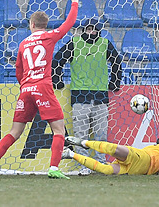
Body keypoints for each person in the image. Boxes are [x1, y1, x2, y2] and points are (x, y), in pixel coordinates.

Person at [0, 0, 80, 180]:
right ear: (45, 25)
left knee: (15, 131)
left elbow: (18, 71)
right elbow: (68, 24)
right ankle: (53, 167)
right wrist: (75, 2)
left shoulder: (23, 43)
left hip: (26, 90)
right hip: (43, 87)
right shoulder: (50, 37)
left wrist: (26, 87)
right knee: (59, 130)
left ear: (32, 25)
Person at [52, 18, 122, 175]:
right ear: (83, 30)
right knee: (81, 135)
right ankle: (83, 165)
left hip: (100, 97)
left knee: (101, 134)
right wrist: (57, 81)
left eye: (94, 29)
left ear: (99, 31)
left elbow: (116, 61)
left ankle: (101, 164)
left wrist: (115, 83)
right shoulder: (75, 43)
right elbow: (58, 60)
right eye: (88, 29)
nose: (91, 32)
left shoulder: (104, 44)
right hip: (80, 96)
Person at [62, 135, 159, 176]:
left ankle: (84, 143)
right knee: (106, 169)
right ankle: (72, 154)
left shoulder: (152, 147)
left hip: (141, 157)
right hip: (141, 166)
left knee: (113, 149)